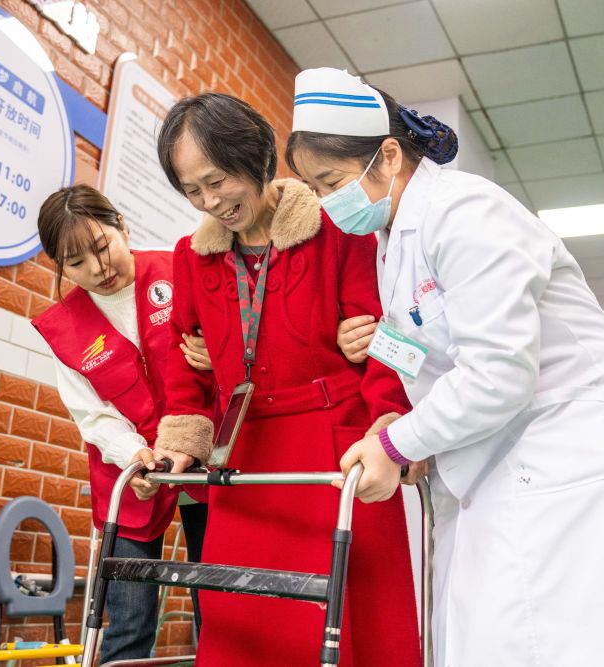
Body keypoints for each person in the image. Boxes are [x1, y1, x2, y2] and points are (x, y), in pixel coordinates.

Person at [286, 67, 604, 666]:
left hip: (560, 459)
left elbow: (499, 372)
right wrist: (385, 376)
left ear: (389, 155)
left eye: (332, 182)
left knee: (573, 643)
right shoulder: (393, 242)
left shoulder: (465, 212)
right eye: (315, 188)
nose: (327, 203)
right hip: (492, 464)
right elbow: (429, 352)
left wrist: (397, 444)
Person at [143, 92, 421, 666]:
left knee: (349, 624)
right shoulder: (192, 257)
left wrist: (389, 428)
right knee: (246, 626)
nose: (210, 202)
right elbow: (184, 362)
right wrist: (180, 444)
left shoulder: (337, 228)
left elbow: (385, 339)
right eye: (192, 190)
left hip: (335, 451)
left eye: (217, 180)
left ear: (256, 159)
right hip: (247, 461)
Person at [31, 184, 209, 662]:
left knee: (218, 609)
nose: (98, 269)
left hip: (206, 461)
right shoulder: (65, 329)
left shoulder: (181, 270)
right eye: (76, 262)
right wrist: (135, 455)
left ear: (122, 227)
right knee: (129, 624)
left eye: (102, 246)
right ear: (60, 266)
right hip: (131, 474)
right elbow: (92, 414)